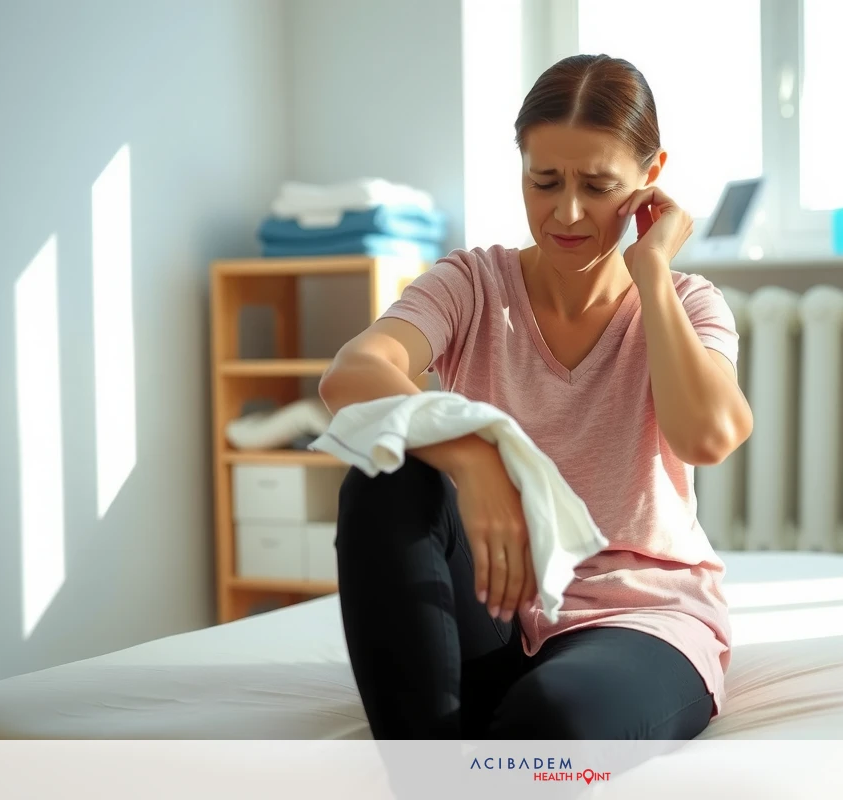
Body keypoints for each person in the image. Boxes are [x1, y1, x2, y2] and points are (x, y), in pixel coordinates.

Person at [319, 53, 753, 743]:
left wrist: (651, 274)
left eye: (598, 184)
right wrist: (475, 457)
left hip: (634, 619)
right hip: (496, 604)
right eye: (544, 181)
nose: (568, 211)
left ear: (651, 177)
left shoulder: (686, 303)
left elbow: (709, 436)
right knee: (387, 474)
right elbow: (353, 375)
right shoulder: (471, 283)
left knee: (549, 724)